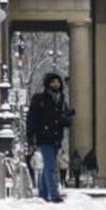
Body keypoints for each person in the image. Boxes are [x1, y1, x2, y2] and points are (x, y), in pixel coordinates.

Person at [26, 72, 75, 203]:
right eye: (53, 82)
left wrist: (68, 117)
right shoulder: (39, 99)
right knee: (50, 166)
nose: (56, 84)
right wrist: (31, 138)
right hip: (44, 136)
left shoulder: (61, 100)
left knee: (49, 165)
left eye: (58, 82)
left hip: (56, 138)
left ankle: (43, 194)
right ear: (47, 84)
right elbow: (32, 119)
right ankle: (54, 194)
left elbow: (63, 121)